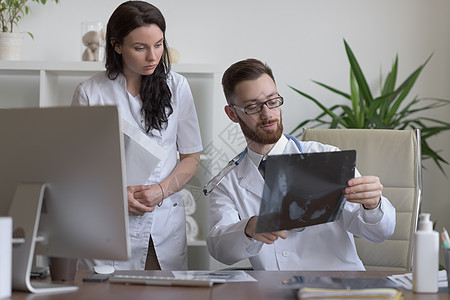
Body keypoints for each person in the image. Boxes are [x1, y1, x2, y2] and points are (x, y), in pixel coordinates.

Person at [206, 58, 396, 271]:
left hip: (340, 289)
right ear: (232, 113)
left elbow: (380, 233)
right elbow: (219, 248)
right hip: (276, 291)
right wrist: (248, 229)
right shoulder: (227, 184)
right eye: (252, 107)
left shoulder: (325, 158)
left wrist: (372, 205)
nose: (267, 114)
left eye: (272, 101)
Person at [72, 1, 202, 270]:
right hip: (107, 225)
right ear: (117, 45)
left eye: (158, 44)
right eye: (140, 48)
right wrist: (115, 195)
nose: (153, 56)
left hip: (162, 225)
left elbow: (191, 158)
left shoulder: (177, 87)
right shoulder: (90, 92)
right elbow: (78, 169)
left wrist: (160, 191)